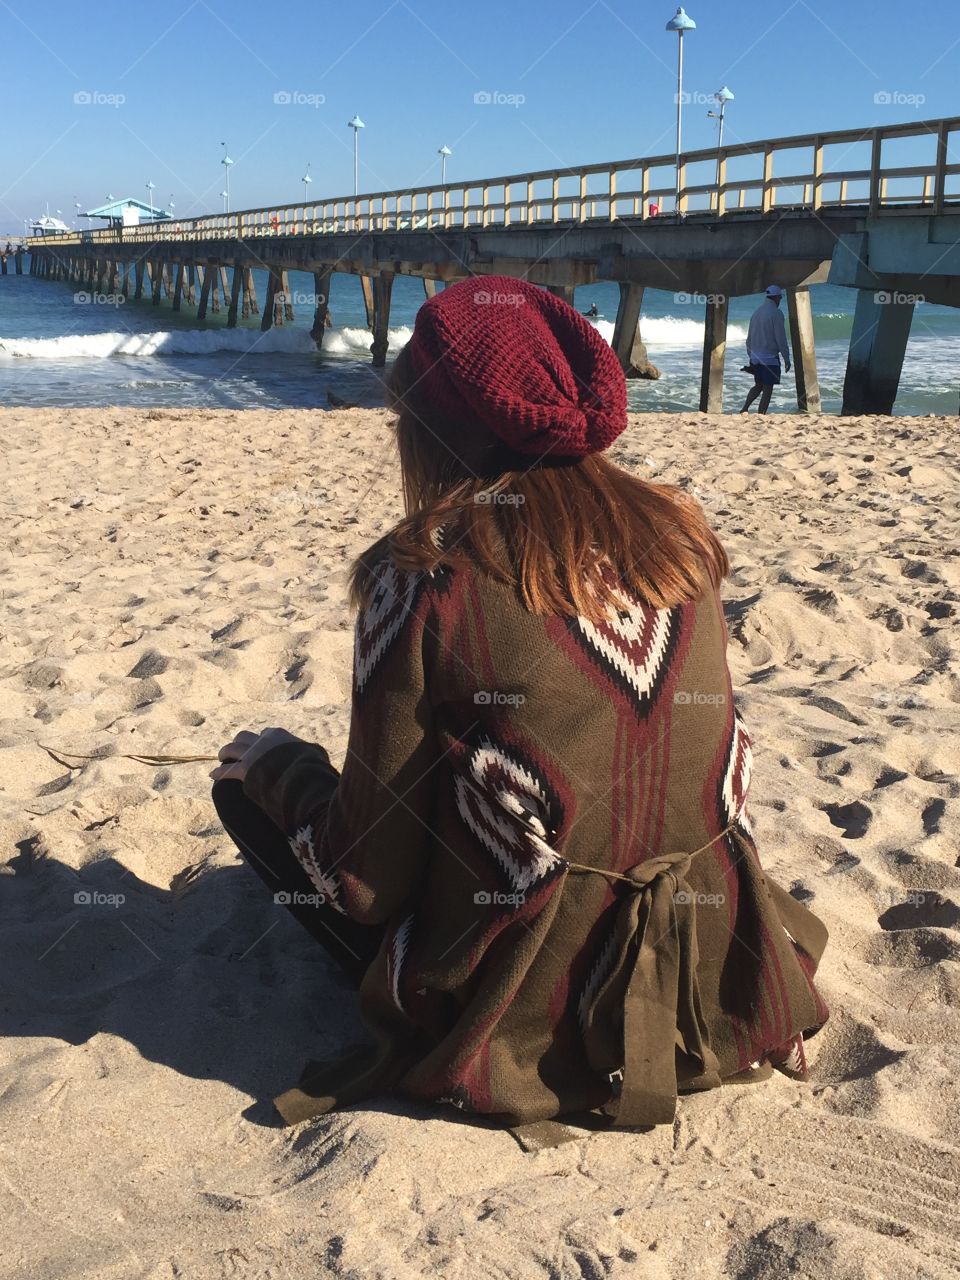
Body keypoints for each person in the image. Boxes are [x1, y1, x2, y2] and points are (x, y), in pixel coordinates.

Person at [211, 276, 828, 1130]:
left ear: (431, 428)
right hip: (713, 974)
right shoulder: (682, 538)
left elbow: (364, 880)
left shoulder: (427, 576)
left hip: (534, 1015)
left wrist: (283, 773)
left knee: (248, 786)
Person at [741, 284, 791, 414]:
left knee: (758, 386)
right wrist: (787, 358)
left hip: (755, 357)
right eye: (780, 298)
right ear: (776, 297)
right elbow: (781, 339)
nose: (780, 300)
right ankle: (761, 414)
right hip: (769, 359)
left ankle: (744, 408)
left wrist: (751, 357)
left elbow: (749, 339)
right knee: (768, 389)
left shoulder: (756, 313)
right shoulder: (776, 313)